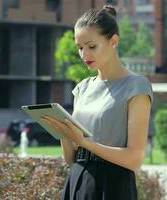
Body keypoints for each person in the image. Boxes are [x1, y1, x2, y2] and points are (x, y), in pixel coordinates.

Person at [41, 5, 153, 200]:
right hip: (78, 179)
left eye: (91, 46)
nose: (84, 55)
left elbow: (135, 159)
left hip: (113, 185)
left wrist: (84, 141)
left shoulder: (137, 86)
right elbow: (70, 159)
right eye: (80, 48)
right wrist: (64, 133)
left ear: (114, 41)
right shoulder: (82, 88)